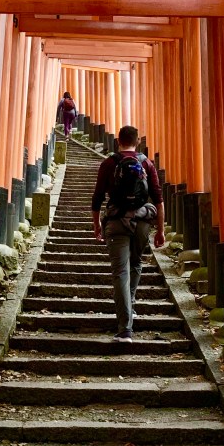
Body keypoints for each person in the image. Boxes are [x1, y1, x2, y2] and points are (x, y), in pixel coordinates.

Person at [91, 126, 165, 342]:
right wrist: (160, 229)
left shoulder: (108, 163)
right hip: (142, 221)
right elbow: (158, 200)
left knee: (121, 272)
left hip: (115, 223)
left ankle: (125, 329)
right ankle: (129, 310)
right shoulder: (146, 163)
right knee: (135, 264)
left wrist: (97, 225)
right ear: (137, 142)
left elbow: (97, 199)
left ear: (118, 141)